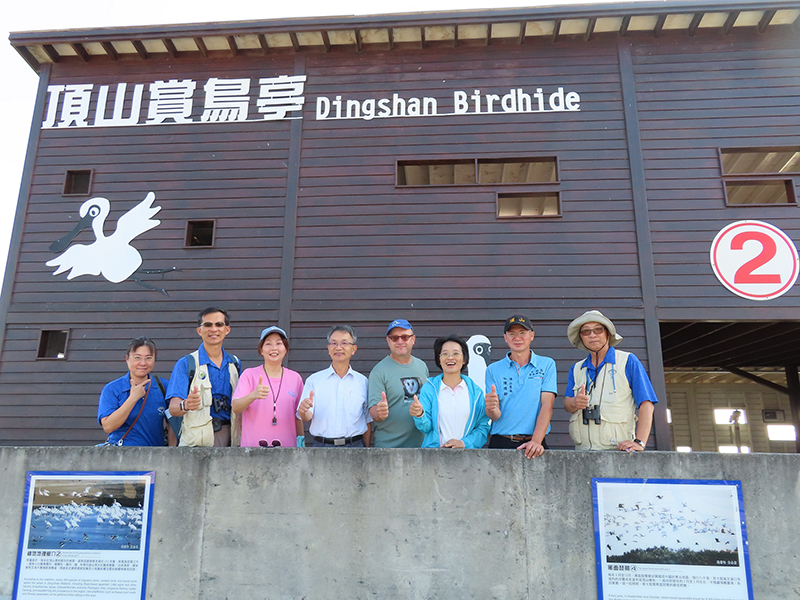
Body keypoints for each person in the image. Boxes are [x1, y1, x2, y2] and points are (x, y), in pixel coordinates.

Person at [564, 310, 658, 452]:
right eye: (586, 332)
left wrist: (639, 442)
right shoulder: (576, 368)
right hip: (582, 452)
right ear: (581, 337)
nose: (592, 335)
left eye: (598, 330)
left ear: (608, 333)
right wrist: (575, 402)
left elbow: (647, 404)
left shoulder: (628, 361)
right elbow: (567, 404)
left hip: (619, 452)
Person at [166, 307, 241, 447]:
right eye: (208, 325)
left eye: (219, 324)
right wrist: (186, 404)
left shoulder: (235, 363)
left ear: (227, 330)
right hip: (196, 442)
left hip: (230, 439)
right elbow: (173, 409)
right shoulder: (186, 363)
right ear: (199, 331)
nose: (214, 329)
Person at [484, 314, 557, 459]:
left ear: (532, 336)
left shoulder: (547, 364)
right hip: (501, 441)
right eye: (512, 334)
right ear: (505, 337)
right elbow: (495, 415)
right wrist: (490, 409)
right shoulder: (493, 369)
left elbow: (547, 405)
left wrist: (536, 441)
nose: (517, 338)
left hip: (535, 443)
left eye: (522, 333)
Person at [410, 334, 490, 448]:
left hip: (467, 458)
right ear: (439, 359)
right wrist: (419, 414)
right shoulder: (429, 389)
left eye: (456, 353)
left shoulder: (476, 393)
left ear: (464, 359)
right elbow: (425, 427)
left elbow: (483, 427)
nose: (450, 357)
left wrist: (463, 443)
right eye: (445, 354)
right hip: (434, 457)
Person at [297, 325, 371, 448]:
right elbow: (306, 416)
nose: (338, 347)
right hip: (321, 447)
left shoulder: (363, 382)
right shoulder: (314, 380)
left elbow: (368, 422)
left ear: (353, 349)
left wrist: (367, 451)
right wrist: (303, 410)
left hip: (355, 446)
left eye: (344, 343)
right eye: (334, 343)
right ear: (328, 349)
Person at [232, 326, 304, 447]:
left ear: (286, 349)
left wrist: (301, 443)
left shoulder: (295, 378)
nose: (274, 348)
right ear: (261, 350)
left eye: (279, 343)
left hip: (287, 451)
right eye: (268, 344)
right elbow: (236, 408)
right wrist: (253, 395)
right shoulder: (249, 375)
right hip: (253, 450)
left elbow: (299, 416)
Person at [97, 337, 170, 446]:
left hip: (155, 456)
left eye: (149, 358)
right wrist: (133, 398)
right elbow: (108, 426)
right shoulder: (112, 389)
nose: (143, 363)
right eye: (137, 358)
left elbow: (174, 422)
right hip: (121, 455)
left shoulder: (163, 386)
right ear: (127, 359)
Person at [368, 318, 429, 448]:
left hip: (422, 448)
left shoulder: (422, 366)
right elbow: (373, 412)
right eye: (394, 338)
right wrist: (379, 412)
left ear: (413, 339)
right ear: (388, 341)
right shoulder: (378, 371)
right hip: (389, 449)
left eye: (405, 337)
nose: (400, 341)